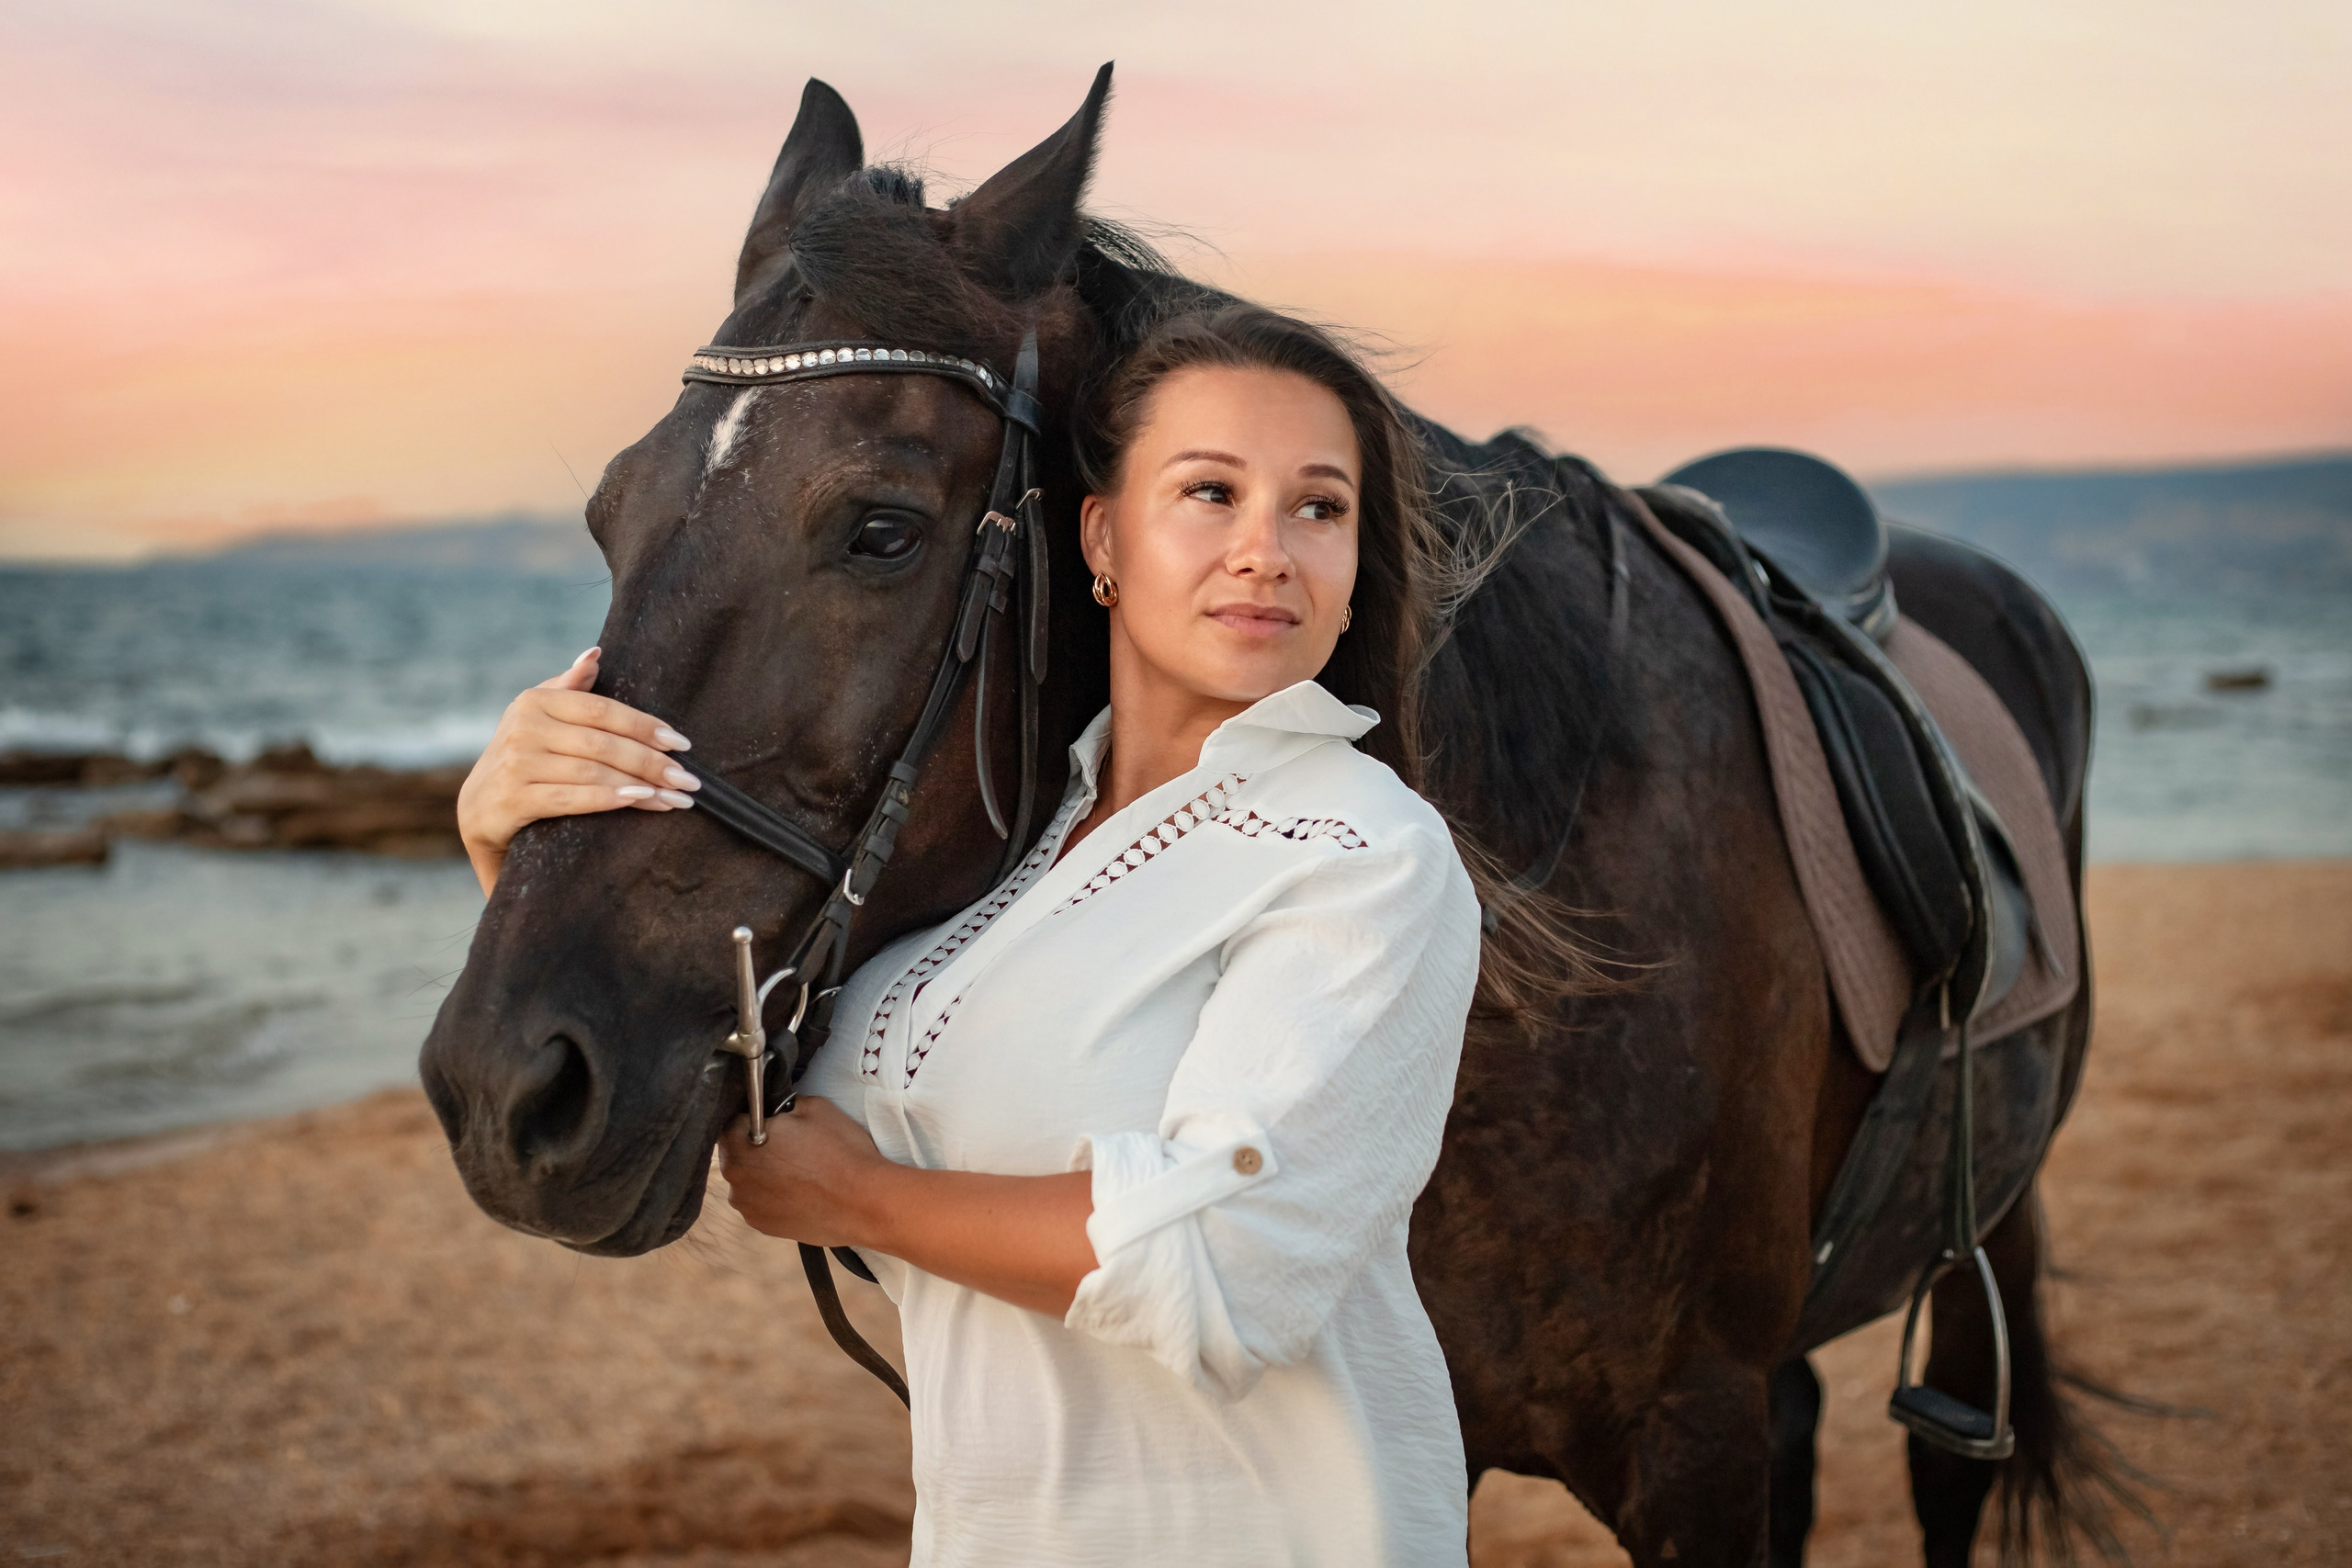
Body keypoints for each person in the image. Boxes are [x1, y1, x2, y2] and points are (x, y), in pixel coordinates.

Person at [455, 304, 1483, 1565]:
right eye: (1210, 492)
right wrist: (518, 847)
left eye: (1319, 508)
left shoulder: (1360, 850)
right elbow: (764, 1120)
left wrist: (873, 1201)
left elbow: (1229, 1268)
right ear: (1102, 538)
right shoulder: (1017, 859)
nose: (1266, 549)